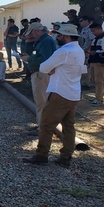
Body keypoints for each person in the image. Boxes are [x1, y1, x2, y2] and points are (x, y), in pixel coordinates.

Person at [23, 24, 87, 167]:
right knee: (69, 126)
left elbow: (44, 67)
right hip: (73, 92)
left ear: (67, 36)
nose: (57, 37)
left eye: (60, 35)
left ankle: (41, 155)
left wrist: (53, 69)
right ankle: (66, 157)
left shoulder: (64, 51)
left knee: (46, 125)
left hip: (59, 92)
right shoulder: (79, 50)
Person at [22, 22, 58, 127]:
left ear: (37, 31)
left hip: (41, 74)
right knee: (43, 102)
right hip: (41, 73)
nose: (31, 36)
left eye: (32, 33)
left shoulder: (46, 41)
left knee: (41, 103)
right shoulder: (44, 40)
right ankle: (43, 127)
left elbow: (45, 59)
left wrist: (28, 58)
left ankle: (42, 129)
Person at [88, 22, 104, 105]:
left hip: (100, 62)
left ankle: (99, 98)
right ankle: (99, 95)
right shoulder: (95, 39)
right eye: (91, 31)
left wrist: (95, 52)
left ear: (100, 29)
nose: (93, 33)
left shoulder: (103, 38)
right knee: (94, 80)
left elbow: (103, 50)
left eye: (94, 31)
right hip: (93, 61)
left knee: (99, 81)